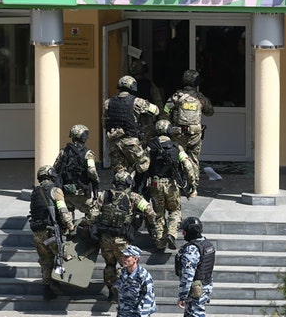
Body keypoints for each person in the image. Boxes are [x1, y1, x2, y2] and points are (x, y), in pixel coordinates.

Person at [90, 169, 160, 302]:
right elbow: (150, 212)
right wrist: (150, 224)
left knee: (110, 264)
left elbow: (92, 214)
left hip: (105, 238)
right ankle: (119, 286)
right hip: (122, 238)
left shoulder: (104, 195)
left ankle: (111, 291)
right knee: (124, 266)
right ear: (129, 182)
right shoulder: (134, 197)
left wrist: (89, 227)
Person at [146, 119, 197, 252]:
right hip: (172, 184)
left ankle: (160, 243)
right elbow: (188, 166)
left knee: (158, 213)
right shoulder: (177, 147)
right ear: (169, 130)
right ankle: (172, 234)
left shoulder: (150, 147)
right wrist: (192, 184)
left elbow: (143, 166)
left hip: (155, 184)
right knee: (174, 211)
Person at [28, 165, 75, 301]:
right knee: (65, 256)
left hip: (38, 233)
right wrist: (70, 225)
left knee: (45, 261)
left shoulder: (35, 192)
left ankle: (48, 289)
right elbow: (63, 210)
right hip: (51, 232)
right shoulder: (55, 190)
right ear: (51, 175)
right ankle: (60, 282)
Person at [164, 70, 214, 196]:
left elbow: (165, 111)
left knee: (177, 158)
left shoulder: (176, 96)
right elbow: (210, 112)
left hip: (178, 134)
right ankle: (193, 188)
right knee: (193, 160)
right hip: (195, 136)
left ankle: (176, 185)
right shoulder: (200, 98)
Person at [103, 75, 160, 178]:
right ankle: (133, 179)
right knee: (144, 163)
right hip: (131, 141)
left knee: (119, 170)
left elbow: (104, 123)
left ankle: (121, 188)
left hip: (113, 142)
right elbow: (156, 110)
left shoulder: (108, 103)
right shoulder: (137, 102)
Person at [53, 124, 101, 225]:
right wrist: (96, 194)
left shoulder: (63, 152)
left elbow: (55, 169)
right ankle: (86, 232)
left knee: (67, 220)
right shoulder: (88, 154)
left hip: (66, 193)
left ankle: (68, 233)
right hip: (82, 194)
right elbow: (92, 172)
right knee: (94, 216)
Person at [175, 217, 216, 317]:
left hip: (196, 290)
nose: (183, 233)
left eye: (184, 231)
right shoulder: (207, 245)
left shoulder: (191, 250)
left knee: (195, 314)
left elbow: (188, 275)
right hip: (206, 285)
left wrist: (182, 296)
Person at [128, 59, 164, 146]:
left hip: (131, 119)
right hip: (147, 120)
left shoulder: (127, 85)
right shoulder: (150, 85)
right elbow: (158, 103)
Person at [116, 245, 157, 317]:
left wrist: (143, 314)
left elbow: (148, 297)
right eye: (123, 256)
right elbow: (121, 295)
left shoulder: (143, 276)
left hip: (137, 313)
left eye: (127, 257)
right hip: (124, 312)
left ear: (135, 259)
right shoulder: (123, 272)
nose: (123, 259)